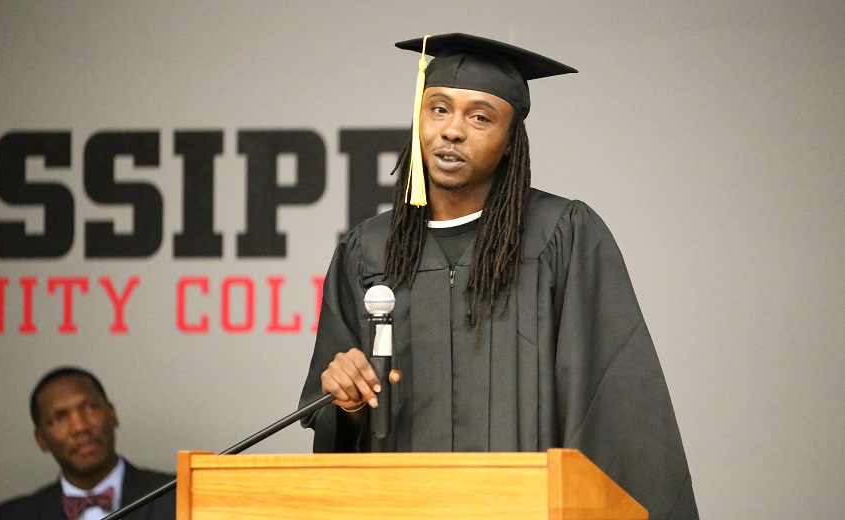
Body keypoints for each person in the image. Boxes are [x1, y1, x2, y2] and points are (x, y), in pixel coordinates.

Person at [299, 33, 698, 519]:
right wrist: (348, 403)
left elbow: (613, 406)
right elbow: (337, 424)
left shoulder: (561, 236)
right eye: (439, 109)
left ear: (511, 142)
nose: (452, 130)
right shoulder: (369, 250)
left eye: (480, 116)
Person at [0, 366, 175, 520]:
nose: (80, 427)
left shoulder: (178, 494)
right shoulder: (12, 515)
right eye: (59, 418)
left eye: (90, 408)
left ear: (113, 414)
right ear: (41, 439)